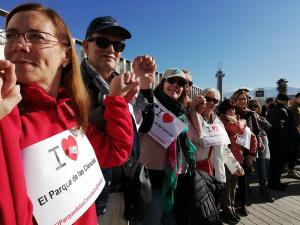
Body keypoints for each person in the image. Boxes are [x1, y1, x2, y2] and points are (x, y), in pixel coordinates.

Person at [0, 3, 136, 225]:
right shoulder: (8, 114)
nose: (19, 45)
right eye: (12, 35)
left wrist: (117, 100)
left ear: (65, 53)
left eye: (36, 36)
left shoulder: (69, 109)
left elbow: (114, 152)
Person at [81, 16, 156, 225]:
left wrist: (146, 87)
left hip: (126, 192)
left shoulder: (122, 81)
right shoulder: (73, 82)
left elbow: (145, 126)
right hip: (92, 198)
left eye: (118, 44)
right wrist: (114, 101)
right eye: (103, 42)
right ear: (86, 47)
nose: (111, 49)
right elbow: (78, 133)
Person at [138, 68, 195, 225]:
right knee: (152, 219)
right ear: (162, 83)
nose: (175, 85)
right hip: (150, 175)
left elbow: (193, 140)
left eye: (181, 83)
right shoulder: (149, 103)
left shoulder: (181, 113)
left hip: (173, 177)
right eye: (171, 80)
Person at [218, 99, 250, 224]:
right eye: (229, 109)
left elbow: (243, 132)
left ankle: (231, 209)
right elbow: (235, 129)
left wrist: (241, 122)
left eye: (233, 109)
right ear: (224, 110)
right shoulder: (222, 120)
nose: (232, 111)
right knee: (227, 187)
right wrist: (241, 123)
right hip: (227, 158)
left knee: (233, 187)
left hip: (237, 157)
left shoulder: (236, 120)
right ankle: (227, 211)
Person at [231, 89, 259, 216]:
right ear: (235, 100)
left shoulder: (251, 114)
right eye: (241, 99)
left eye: (245, 99)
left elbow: (256, 133)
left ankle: (243, 205)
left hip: (246, 151)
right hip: (232, 150)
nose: (244, 101)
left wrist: (253, 153)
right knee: (230, 180)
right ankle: (229, 204)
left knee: (243, 180)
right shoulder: (230, 112)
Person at [267, 93, 298, 190]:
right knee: (278, 164)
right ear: (284, 101)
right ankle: (275, 184)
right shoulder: (281, 111)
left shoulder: (273, 110)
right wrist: (286, 140)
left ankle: (274, 182)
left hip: (274, 142)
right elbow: (281, 128)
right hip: (280, 143)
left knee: (274, 164)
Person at [248, 99, 275, 202]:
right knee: (250, 169)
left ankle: (264, 192)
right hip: (251, 145)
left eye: (256, 106)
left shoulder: (260, 117)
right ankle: (247, 192)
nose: (254, 108)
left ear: (258, 107)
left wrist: (258, 118)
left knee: (263, 170)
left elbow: (269, 126)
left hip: (262, 144)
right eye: (251, 106)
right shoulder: (247, 117)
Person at [288, 92, 300, 178]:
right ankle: (291, 170)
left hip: (296, 132)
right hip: (295, 133)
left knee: (295, 152)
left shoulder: (297, 107)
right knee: (294, 152)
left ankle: (291, 170)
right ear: (296, 97)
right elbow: (295, 122)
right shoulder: (294, 108)